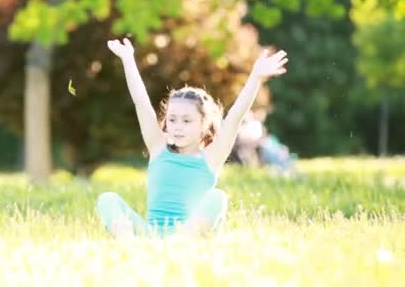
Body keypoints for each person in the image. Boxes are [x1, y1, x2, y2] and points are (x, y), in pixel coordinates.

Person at [96, 38, 288, 237]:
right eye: (172, 119)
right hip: (149, 235)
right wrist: (128, 59)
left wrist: (256, 77)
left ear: (203, 125)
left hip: (184, 236)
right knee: (107, 199)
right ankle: (131, 245)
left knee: (218, 197)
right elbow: (141, 102)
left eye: (187, 121)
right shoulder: (158, 147)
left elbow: (235, 116)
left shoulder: (211, 157)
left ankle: (177, 245)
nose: (177, 127)